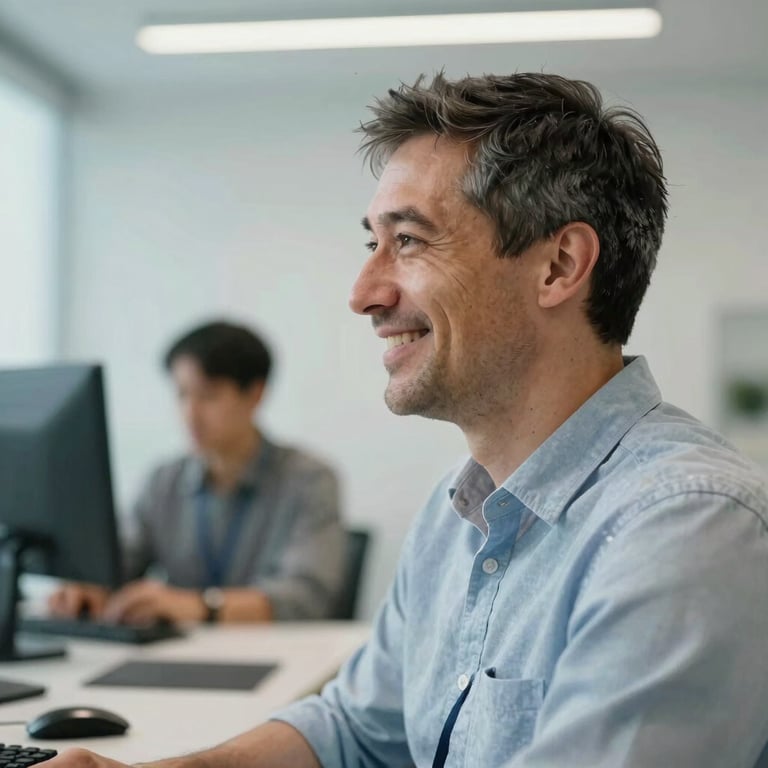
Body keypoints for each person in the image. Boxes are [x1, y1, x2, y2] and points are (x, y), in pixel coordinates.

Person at [48, 72, 768, 768]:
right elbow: (355, 732)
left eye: (411, 241)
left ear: (558, 266)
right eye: (373, 243)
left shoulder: (687, 527)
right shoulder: (455, 515)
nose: (364, 293)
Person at [48, 320, 344, 625]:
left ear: (255, 394)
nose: (190, 413)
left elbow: (304, 598)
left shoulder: (309, 480)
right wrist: (89, 588)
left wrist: (198, 606)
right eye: (181, 394)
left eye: (208, 396)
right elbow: (119, 562)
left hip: (280, 655)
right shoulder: (164, 480)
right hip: (178, 654)